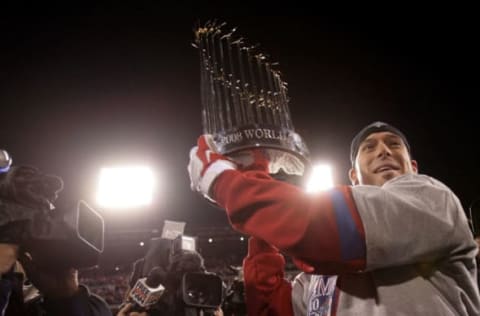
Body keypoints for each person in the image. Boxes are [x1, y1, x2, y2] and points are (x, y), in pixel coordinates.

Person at [188, 121, 480, 315]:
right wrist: (256, 177)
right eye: (369, 147)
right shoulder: (321, 275)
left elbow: (325, 227)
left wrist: (226, 182)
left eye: (393, 144)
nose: (383, 151)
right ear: (353, 177)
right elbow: (271, 307)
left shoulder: (432, 200)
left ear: (413, 167)